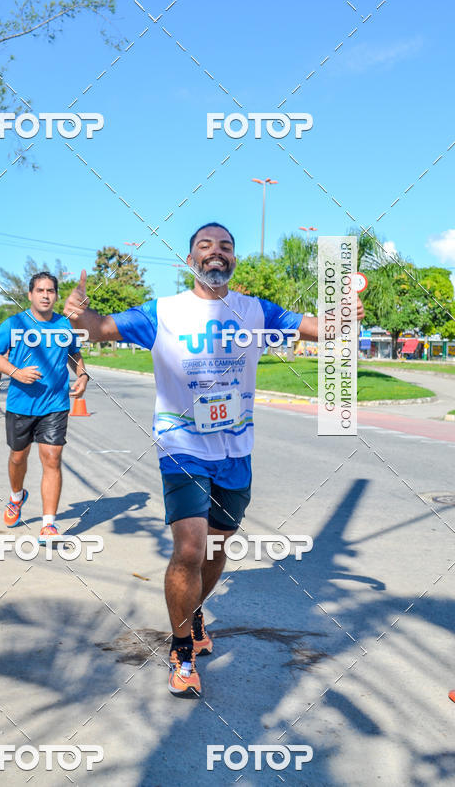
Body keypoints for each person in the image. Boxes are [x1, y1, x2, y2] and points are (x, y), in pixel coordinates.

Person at [65, 223, 365, 698]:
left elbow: (316, 329)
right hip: (181, 444)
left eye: (225, 246)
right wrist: (79, 314)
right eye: (205, 246)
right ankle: (182, 650)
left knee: (216, 549)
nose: (216, 253)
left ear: (234, 260)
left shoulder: (255, 311)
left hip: (235, 451)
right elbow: (99, 329)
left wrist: (343, 317)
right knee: (189, 547)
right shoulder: (164, 312)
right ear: (191, 261)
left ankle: (194, 609)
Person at [0, 272, 88, 544]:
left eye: (50, 291)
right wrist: (16, 372)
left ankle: (48, 525)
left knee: (52, 459)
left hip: (55, 405)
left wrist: (82, 376)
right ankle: (16, 496)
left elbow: (74, 355)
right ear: (30, 294)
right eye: (40, 290)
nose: (46, 295)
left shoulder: (65, 325)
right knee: (18, 458)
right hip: (21, 405)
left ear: (56, 295)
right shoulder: (14, 323)